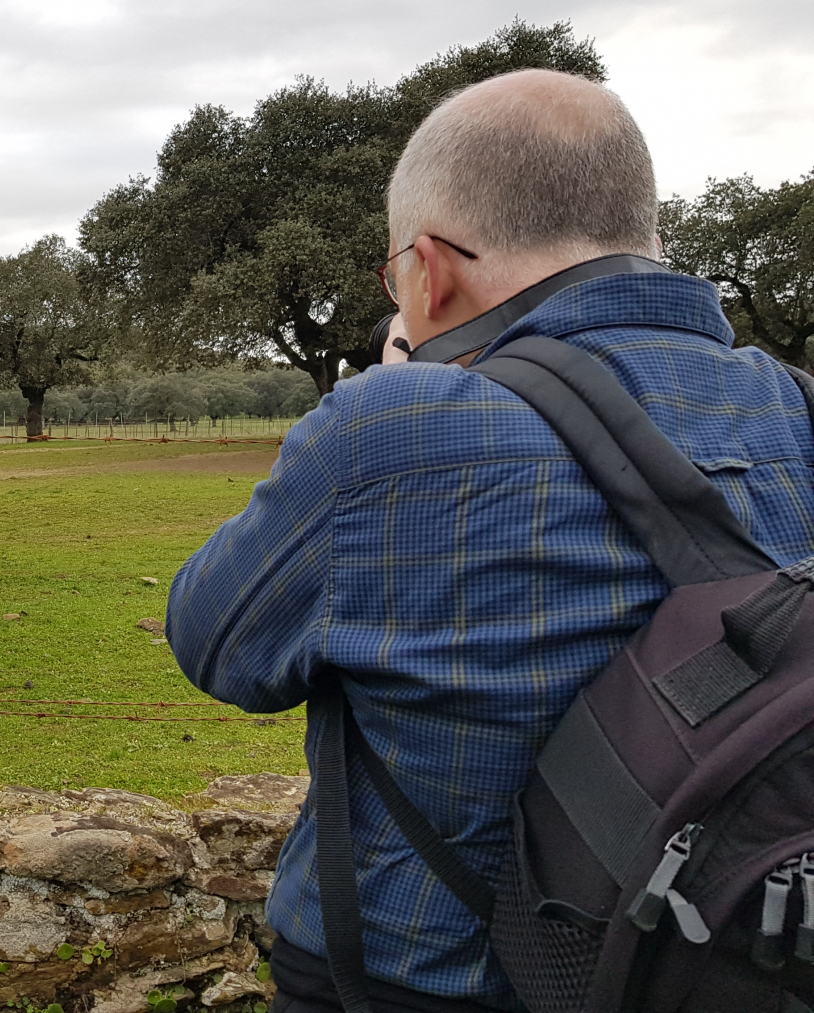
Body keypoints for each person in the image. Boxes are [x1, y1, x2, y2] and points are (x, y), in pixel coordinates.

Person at [167, 69, 814, 1013]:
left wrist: (392, 389)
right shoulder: (798, 405)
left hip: (420, 975)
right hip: (718, 970)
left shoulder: (385, 429)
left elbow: (215, 643)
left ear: (429, 269)